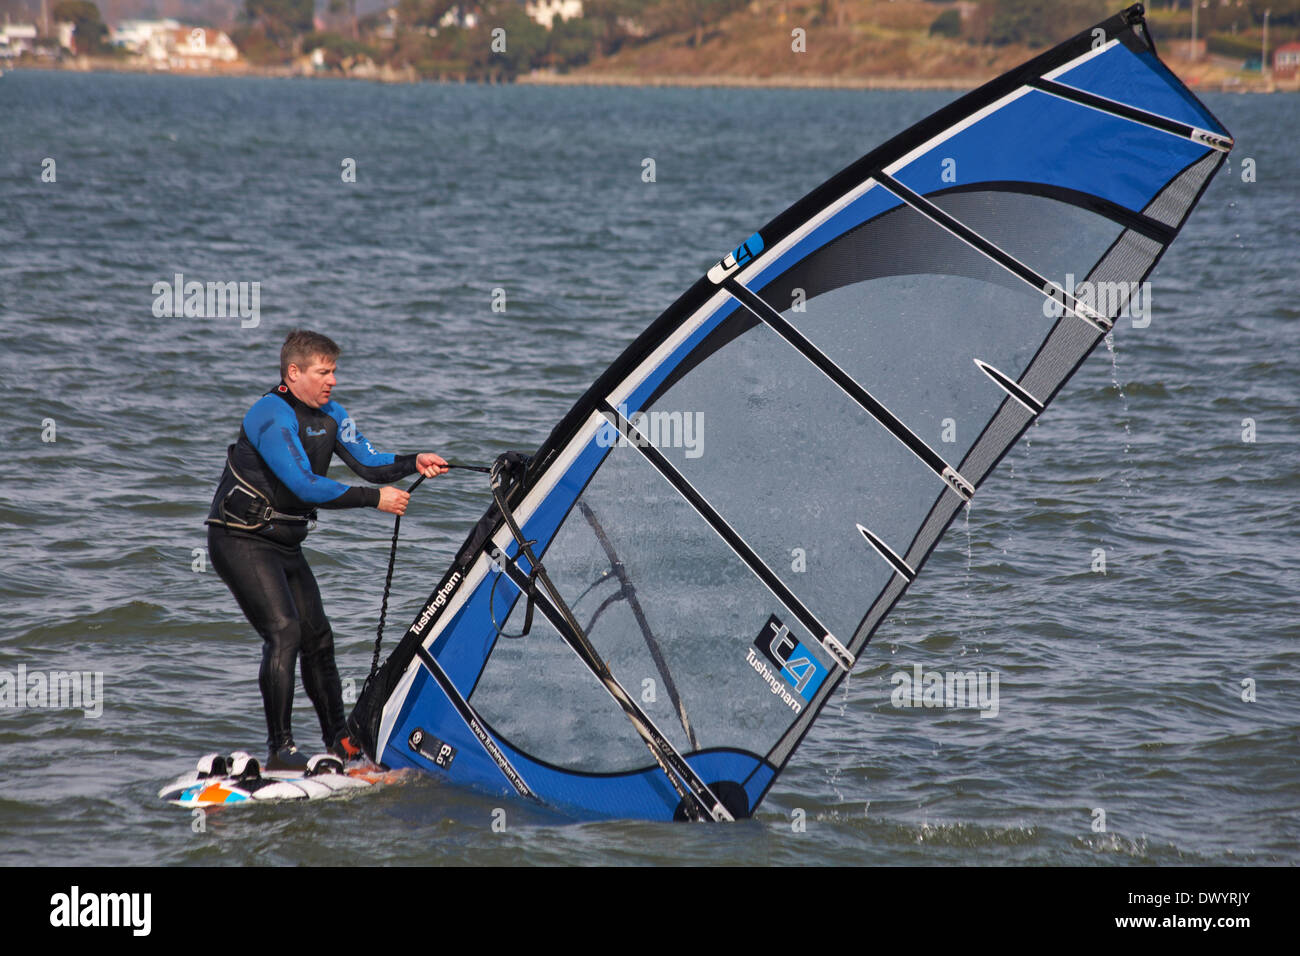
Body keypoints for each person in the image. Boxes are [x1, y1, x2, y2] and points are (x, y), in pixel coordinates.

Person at [206, 329, 447, 770]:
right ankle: (280, 748)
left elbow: (370, 462)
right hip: (240, 538)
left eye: (334, 371)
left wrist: (414, 460)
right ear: (294, 373)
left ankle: (340, 740)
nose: (332, 380)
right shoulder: (269, 414)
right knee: (285, 632)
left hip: (284, 543)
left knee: (318, 637)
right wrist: (376, 500)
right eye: (323, 371)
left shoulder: (331, 414)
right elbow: (304, 484)